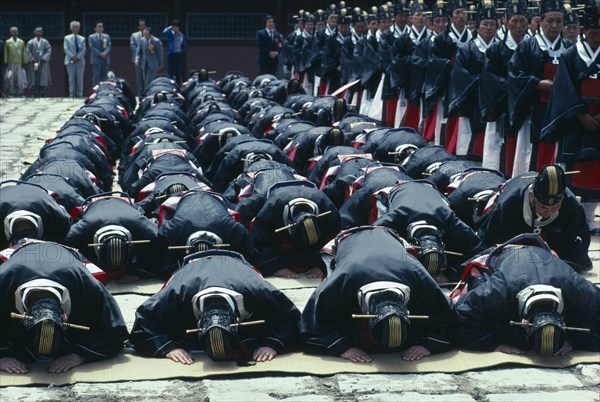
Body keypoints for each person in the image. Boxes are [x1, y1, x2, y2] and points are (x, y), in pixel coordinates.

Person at [300, 226, 454, 363]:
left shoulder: (417, 274)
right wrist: (342, 347)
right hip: (347, 238)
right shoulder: (344, 277)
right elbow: (316, 319)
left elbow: (444, 312)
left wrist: (427, 344)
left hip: (390, 237)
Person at [130, 250, 300, 364]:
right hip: (193, 267)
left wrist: (273, 344)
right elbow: (145, 321)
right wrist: (167, 347)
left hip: (235, 263)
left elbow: (291, 317)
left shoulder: (255, 289)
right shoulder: (178, 292)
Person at [0, 241, 128, 374]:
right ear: (23, 314)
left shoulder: (86, 285)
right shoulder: (3, 281)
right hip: (24, 252)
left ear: (66, 317)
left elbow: (114, 330)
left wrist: (79, 355)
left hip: (67, 254)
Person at [454, 238, 600, 355]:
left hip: (543, 254)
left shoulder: (577, 289)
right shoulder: (499, 290)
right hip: (505, 252)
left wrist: (574, 339)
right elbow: (461, 313)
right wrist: (493, 343)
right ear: (524, 321)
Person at [541, 0, 600, 235]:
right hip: (575, 120)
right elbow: (563, 89)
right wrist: (581, 113)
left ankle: (589, 217)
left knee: (596, 171)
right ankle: (567, 214)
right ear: (584, 31)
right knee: (572, 167)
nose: (597, 37)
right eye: (593, 32)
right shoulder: (570, 55)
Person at [477, 164, 592, 271]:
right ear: (531, 196)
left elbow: (581, 235)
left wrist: (565, 262)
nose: (548, 212)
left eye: (555, 207)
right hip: (514, 233)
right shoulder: (509, 204)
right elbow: (492, 240)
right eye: (543, 207)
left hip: (551, 235)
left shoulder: (569, 201)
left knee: (576, 263)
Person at [508, 0, 571, 175]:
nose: (554, 25)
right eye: (550, 21)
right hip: (534, 109)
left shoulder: (570, 48)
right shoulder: (528, 46)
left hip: (560, 110)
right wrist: (537, 83)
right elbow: (514, 74)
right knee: (532, 153)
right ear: (540, 22)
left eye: (559, 21)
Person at [480, 0, 529, 176]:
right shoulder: (496, 49)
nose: (518, 25)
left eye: (522, 20)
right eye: (514, 20)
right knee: (498, 157)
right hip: (502, 108)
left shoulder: (533, 47)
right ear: (505, 21)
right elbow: (490, 80)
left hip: (526, 108)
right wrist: (518, 87)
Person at [135, 27, 164, 95]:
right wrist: (137, 59)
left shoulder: (156, 41)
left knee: (150, 80)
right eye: (144, 35)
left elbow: (160, 53)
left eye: (146, 35)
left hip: (153, 64)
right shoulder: (142, 40)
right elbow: (138, 51)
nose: (145, 36)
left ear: (151, 35)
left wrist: (161, 64)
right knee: (145, 80)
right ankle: (146, 93)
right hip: (144, 63)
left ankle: (148, 94)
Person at [26, 27, 51, 97]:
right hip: (35, 61)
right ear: (35, 33)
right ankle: (34, 91)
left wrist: (43, 58)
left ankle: (43, 90)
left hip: (43, 61)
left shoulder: (45, 42)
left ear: (42, 33)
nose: (38, 33)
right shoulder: (31, 42)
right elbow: (27, 51)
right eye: (37, 32)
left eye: (40, 32)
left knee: (43, 75)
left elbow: (49, 50)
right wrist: (33, 58)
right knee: (34, 75)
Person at [63, 20, 86, 98]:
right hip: (70, 61)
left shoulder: (82, 39)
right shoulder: (67, 38)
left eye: (77, 27)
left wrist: (78, 57)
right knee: (71, 79)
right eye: (74, 27)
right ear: (71, 28)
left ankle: (80, 94)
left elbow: (84, 49)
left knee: (80, 79)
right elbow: (66, 48)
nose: (75, 29)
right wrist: (72, 57)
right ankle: (71, 94)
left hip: (80, 61)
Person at [3, 27, 27, 97]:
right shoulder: (7, 42)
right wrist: (6, 61)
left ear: (18, 32)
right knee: (10, 78)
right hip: (11, 62)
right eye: (13, 32)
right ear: (10, 33)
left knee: (19, 78)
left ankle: (20, 92)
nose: (14, 33)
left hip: (19, 63)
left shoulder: (21, 42)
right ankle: (11, 92)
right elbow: (6, 53)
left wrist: (24, 61)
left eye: (15, 31)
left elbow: (24, 52)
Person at [162, 19, 186, 85]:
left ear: (179, 27)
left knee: (178, 71)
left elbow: (184, 45)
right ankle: (170, 85)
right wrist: (170, 27)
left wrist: (181, 50)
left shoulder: (181, 35)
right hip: (171, 54)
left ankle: (178, 85)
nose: (175, 28)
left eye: (176, 27)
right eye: (174, 27)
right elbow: (164, 32)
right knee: (171, 72)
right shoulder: (170, 34)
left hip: (178, 54)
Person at [88, 21, 111, 87]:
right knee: (96, 77)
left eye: (101, 26)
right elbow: (91, 47)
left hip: (105, 59)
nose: (100, 28)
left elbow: (109, 46)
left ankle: (104, 93)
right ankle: (96, 93)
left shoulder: (106, 36)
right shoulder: (91, 37)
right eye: (98, 26)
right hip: (96, 59)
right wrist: (100, 54)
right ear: (95, 28)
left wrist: (105, 53)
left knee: (105, 78)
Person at [130, 19, 146, 96]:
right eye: (140, 25)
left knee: (146, 77)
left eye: (143, 25)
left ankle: (146, 93)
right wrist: (139, 51)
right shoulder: (134, 35)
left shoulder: (148, 35)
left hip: (146, 60)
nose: (142, 27)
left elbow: (151, 46)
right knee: (139, 77)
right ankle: (140, 94)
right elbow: (132, 46)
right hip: (138, 59)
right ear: (138, 26)